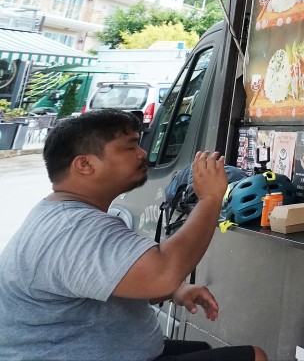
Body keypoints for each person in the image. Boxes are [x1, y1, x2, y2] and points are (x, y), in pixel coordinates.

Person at [0, 110, 268, 361]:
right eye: (130, 147)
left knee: (202, 350)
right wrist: (210, 197)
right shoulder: (75, 229)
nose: (142, 154)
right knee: (254, 356)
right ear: (84, 164)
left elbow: (109, 278)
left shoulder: (62, 216)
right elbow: (162, 274)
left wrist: (175, 289)